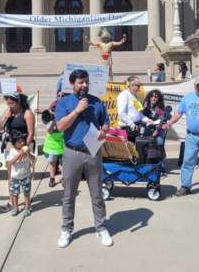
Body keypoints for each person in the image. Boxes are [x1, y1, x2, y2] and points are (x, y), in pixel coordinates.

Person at [55, 69, 112, 248]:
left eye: (86, 82)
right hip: (72, 152)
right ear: (72, 85)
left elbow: (106, 122)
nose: (85, 85)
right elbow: (60, 126)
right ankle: (67, 229)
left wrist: (104, 130)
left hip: (93, 151)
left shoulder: (96, 102)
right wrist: (77, 110)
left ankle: (101, 227)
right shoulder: (64, 102)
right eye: (80, 82)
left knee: (97, 193)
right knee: (69, 194)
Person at [0, 91, 35, 213]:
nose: (10, 106)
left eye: (12, 103)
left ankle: (26, 201)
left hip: (23, 144)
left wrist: (25, 148)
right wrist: (4, 118)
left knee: (23, 172)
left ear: (18, 102)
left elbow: (30, 132)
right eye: (8, 103)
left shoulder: (27, 113)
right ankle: (12, 201)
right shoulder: (7, 112)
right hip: (10, 144)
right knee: (11, 174)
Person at [8, 132, 35, 217]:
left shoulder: (28, 149)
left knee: (26, 193)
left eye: (23, 141)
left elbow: (33, 159)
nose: (22, 143)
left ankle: (26, 208)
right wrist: (19, 154)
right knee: (15, 193)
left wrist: (28, 153)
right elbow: (11, 162)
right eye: (19, 142)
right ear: (14, 144)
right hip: (15, 176)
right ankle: (15, 208)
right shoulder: (12, 151)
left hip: (26, 175)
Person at [141, 89, 167, 175]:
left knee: (159, 146)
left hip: (157, 129)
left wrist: (154, 134)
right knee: (145, 146)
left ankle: (161, 167)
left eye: (156, 96)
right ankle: (147, 165)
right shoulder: (144, 104)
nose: (153, 98)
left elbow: (162, 121)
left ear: (158, 98)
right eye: (152, 96)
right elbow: (139, 115)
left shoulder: (161, 108)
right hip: (146, 128)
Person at [117, 76, 150, 143]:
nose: (139, 88)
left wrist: (147, 120)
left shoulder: (135, 96)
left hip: (135, 127)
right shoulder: (123, 95)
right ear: (132, 85)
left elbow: (138, 113)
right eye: (138, 86)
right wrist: (131, 124)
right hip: (127, 128)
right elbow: (121, 113)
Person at [43, 91, 65, 187]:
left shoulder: (65, 110)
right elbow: (49, 131)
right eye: (58, 95)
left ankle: (64, 178)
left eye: (62, 95)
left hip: (62, 143)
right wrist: (53, 121)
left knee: (62, 161)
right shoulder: (50, 117)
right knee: (52, 162)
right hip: (52, 144)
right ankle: (52, 178)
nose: (60, 97)